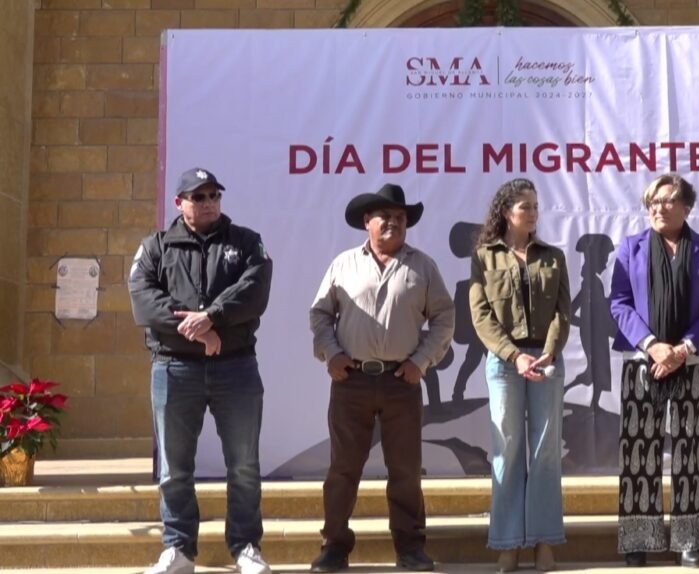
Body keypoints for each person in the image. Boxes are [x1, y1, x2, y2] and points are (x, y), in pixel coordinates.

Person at [129, 167, 273, 574]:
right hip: (174, 370)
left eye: (213, 196)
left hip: (236, 368)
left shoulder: (246, 242)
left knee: (243, 464)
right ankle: (178, 549)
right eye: (198, 197)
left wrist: (211, 318)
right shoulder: (156, 247)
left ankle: (246, 547)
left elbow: (255, 290)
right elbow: (144, 301)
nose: (208, 203)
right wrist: (198, 333)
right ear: (180, 203)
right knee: (175, 468)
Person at [308, 183, 455, 573]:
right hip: (351, 381)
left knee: (405, 469)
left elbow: (444, 318)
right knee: (343, 469)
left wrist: (421, 361)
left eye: (400, 218)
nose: (393, 222)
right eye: (385, 217)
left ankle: (410, 548)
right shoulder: (343, 264)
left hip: (400, 382)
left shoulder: (422, 266)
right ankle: (334, 547)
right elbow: (320, 314)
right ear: (366, 222)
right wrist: (332, 354)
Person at [608, 173, 699, 567]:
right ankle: (639, 540)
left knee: (693, 449)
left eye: (667, 200)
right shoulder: (631, 248)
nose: (658, 208)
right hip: (644, 362)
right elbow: (620, 303)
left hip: (692, 361)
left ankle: (690, 540)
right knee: (639, 452)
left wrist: (682, 348)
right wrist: (653, 346)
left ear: (687, 207)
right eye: (652, 202)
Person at [468, 178, 570, 573]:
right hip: (505, 363)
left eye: (535, 205)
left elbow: (563, 311)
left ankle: (544, 542)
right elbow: (481, 316)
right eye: (524, 206)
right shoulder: (484, 256)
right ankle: (508, 543)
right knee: (506, 451)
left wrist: (547, 352)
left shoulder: (553, 256)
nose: (532, 212)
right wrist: (514, 357)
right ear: (506, 211)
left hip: (545, 359)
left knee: (545, 452)